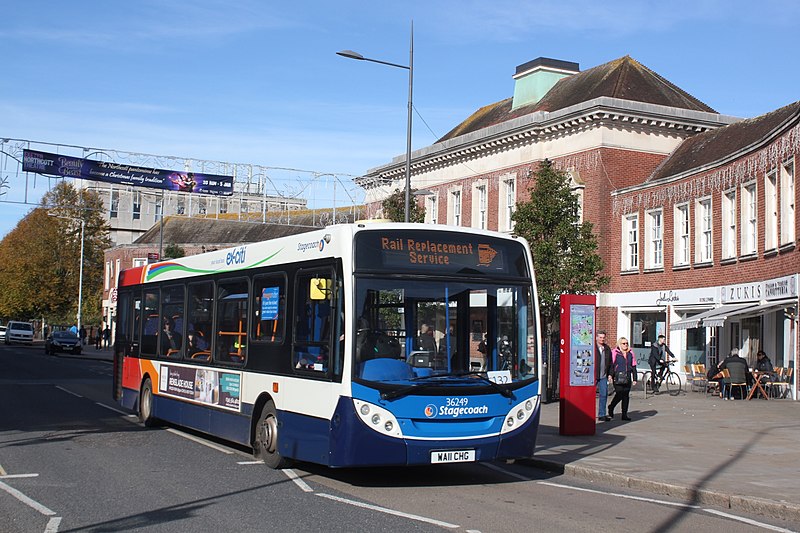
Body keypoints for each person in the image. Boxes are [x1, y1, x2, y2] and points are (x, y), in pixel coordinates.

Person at [608, 337, 637, 421]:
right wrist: (610, 375)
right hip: (618, 376)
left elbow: (634, 366)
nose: (626, 345)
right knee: (619, 394)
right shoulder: (615, 352)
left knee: (626, 396)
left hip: (627, 377)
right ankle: (611, 407)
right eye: (623, 343)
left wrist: (634, 378)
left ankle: (624, 414)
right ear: (619, 344)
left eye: (627, 343)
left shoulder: (631, 353)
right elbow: (612, 365)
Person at [595, 330, 613, 422]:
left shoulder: (607, 349)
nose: (602, 339)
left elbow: (610, 363)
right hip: (593, 376)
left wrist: (610, 374)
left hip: (603, 376)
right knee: (588, 395)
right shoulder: (592, 348)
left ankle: (602, 414)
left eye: (603, 337)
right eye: (600, 337)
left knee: (604, 394)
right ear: (596, 338)